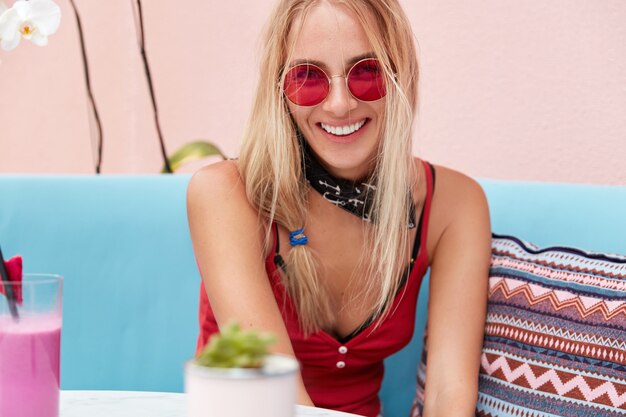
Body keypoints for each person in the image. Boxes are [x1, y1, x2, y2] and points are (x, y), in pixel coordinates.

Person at [187, 0, 491, 416]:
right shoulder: (225, 194)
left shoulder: (455, 206)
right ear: (280, 89)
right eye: (308, 78)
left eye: (366, 72)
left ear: (401, 75)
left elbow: (447, 398)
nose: (339, 104)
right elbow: (277, 398)